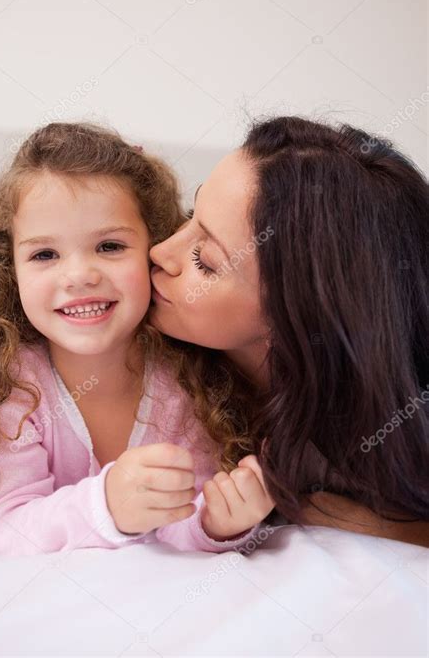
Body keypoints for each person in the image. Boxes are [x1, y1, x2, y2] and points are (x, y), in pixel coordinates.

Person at [0, 122, 274, 555]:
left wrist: (215, 523)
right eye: (44, 254)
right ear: (11, 269)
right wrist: (105, 506)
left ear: (155, 248)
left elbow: (182, 517)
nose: (80, 275)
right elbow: (1, 527)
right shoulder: (9, 383)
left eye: (109, 247)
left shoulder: (185, 376)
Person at [149, 115, 429, 547]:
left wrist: (307, 507)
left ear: (299, 313)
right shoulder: (149, 354)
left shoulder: (387, 427)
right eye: (191, 213)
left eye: (204, 259)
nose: (160, 252)